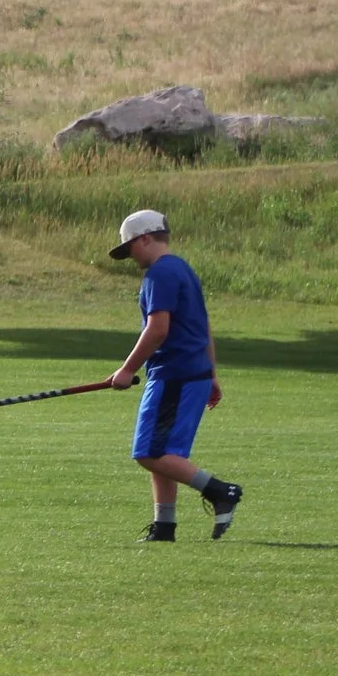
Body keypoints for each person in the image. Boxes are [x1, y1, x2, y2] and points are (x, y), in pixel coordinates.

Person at [106, 210, 243, 543]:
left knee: (148, 452)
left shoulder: (160, 275)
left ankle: (221, 491)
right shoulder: (183, 269)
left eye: (130, 248)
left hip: (174, 374)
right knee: (165, 453)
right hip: (191, 373)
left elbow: (158, 330)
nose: (130, 257)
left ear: (146, 239)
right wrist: (211, 374)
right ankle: (164, 527)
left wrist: (127, 369)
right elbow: (203, 326)